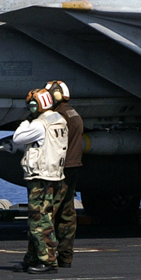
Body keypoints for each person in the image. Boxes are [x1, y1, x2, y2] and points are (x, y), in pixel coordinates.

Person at [11, 87, 68, 274]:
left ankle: (49, 262)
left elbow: (18, 138)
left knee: (39, 221)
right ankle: (32, 258)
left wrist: (24, 122)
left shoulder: (39, 124)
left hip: (40, 178)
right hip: (53, 176)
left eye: (32, 104)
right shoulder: (59, 120)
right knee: (41, 218)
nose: (31, 107)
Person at [46, 80, 84, 269]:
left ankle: (46, 257)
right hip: (73, 167)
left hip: (59, 170)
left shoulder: (58, 116)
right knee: (67, 214)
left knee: (47, 213)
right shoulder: (73, 113)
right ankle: (66, 257)